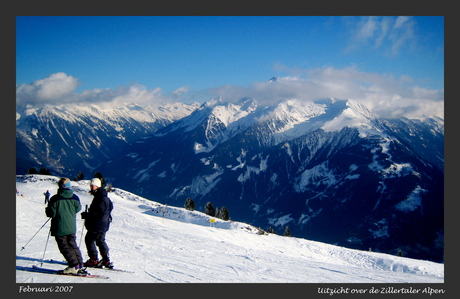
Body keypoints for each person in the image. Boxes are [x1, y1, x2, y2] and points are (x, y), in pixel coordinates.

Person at [45, 178, 86, 274]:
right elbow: (78, 208)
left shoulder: (55, 198)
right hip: (71, 226)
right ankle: (79, 264)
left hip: (59, 226)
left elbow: (51, 213)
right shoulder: (75, 198)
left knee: (64, 246)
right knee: (72, 244)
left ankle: (73, 265)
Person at [82, 178, 114, 268]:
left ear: (97, 186)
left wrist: (88, 215)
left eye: (92, 186)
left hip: (97, 224)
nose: (91, 188)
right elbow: (110, 207)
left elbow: (99, 212)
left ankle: (93, 259)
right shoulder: (104, 196)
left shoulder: (99, 197)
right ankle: (105, 259)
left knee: (89, 239)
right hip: (104, 224)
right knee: (100, 240)